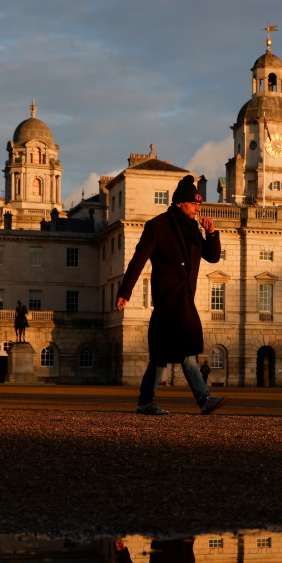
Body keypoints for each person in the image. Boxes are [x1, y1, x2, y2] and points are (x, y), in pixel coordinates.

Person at [116, 175, 228, 415]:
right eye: (194, 203)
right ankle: (204, 399)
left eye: (199, 204)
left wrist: (211, 233)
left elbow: (213, 257)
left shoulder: (193, 230)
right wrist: (125, 291)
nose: (199, 208)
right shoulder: (157, 226)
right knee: (187, 348)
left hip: (184, 297)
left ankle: (145, 402)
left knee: (160, 355)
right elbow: (138, 260)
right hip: (169, 299)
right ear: (181, 203)